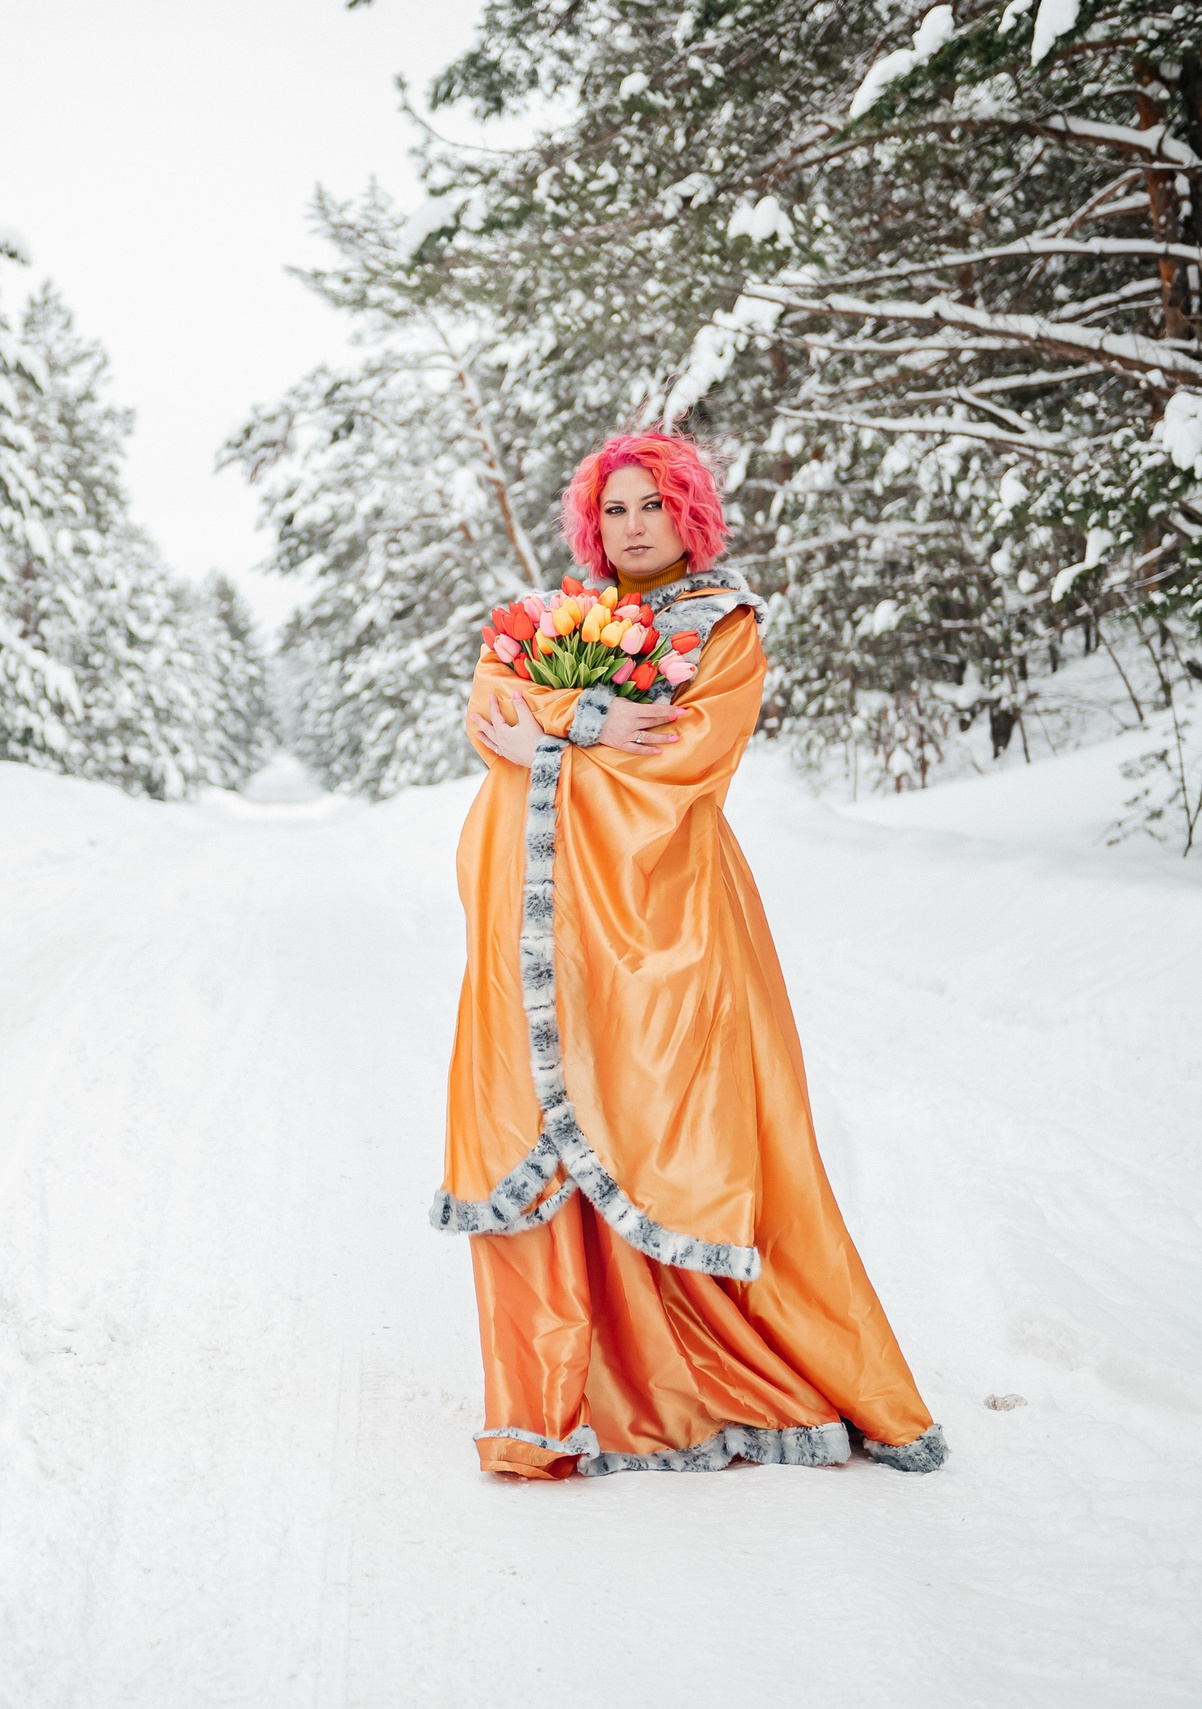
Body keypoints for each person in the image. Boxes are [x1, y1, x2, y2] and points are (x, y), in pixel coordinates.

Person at [434, 430, 945, 1478]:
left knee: (671, 1119)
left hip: (670, 919)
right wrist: (590, 714)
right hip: (548, 926)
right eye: (612, 509)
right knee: (552, 1115)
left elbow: (683, 756)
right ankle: (562, 1393)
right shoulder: (551, 621)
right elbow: (490, 719)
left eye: (649, 507)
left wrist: (555, 735)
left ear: (686, 515)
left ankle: (711, 1371)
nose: (629, 527)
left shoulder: (724, 626)